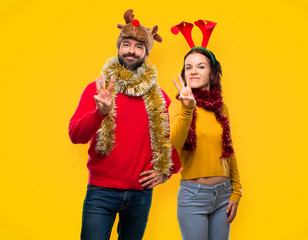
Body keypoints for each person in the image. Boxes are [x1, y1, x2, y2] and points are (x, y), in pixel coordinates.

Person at [68, 9, 180, 240]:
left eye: (139, 46)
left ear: (147, 54)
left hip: (140, 195)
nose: (131, 50)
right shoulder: (97, 89)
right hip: (101, 192)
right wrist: (99, 113)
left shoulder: (160, 98)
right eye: (126, 44)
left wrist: (167, 171)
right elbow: (75, 135)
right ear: (118, 49)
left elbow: (174, 141)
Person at [169, 20, 242, 240]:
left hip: (223, 194)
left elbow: (228, 150)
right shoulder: (177, 106)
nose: (193, 71)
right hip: (193, 197)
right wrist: (187, 108)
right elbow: (176, 141)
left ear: (212, 73)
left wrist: (236, 191)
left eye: (200, 66)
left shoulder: (222, 108)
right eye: (188, 67)